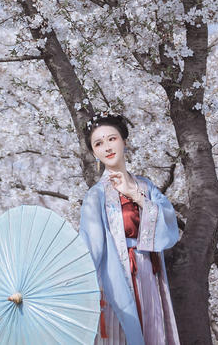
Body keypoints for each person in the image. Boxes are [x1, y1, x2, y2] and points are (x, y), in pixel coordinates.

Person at [79, 113, 181, 345]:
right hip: (116, 277)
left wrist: (135, 195)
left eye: (111, 139)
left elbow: (168, 222)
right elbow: (88, 249)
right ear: (94, 153)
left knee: (154, 329)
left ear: (124, 141)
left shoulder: (146, 186)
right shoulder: (96, 195)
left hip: (149, 273)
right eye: (98, 143)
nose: (106, 147)